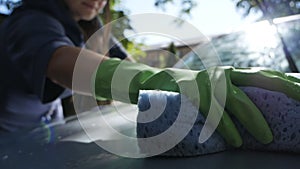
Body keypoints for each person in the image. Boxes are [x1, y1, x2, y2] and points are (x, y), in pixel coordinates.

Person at [0, 0, 299, 148]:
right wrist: (165, 81)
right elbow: (60, 61)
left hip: (46, 139)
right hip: (13, 148)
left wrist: (173, 78)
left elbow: (124, 60)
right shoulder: (29, 20)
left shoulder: (85, 29)